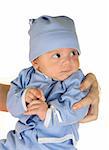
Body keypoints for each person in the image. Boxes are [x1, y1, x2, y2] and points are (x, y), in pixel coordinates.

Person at [0, 15, 99, 150]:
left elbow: (76, 109)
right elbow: (12, 103)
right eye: (57, 55)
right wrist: (24, 97)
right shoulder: (25, 76)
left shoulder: (76, 81)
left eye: (73, 53)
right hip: (19, 141)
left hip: (55, 144)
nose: (67, 61)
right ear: (36, 62)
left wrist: (47, 113)